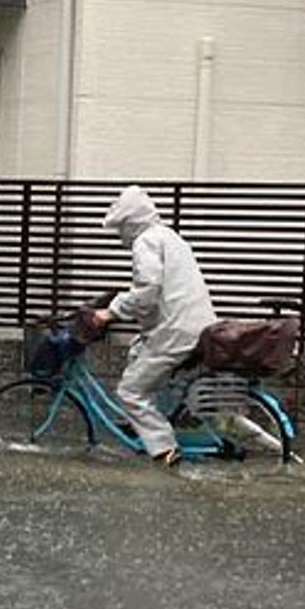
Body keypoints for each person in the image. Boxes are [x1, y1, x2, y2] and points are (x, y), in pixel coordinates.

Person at [89, 185, 218, 467]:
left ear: (130, 222)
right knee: (137, 352)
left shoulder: (145, 241)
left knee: (130, 391)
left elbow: (147, 291)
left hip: (175, 331)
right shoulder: (169, 236)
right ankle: (138, 424)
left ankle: (165, 451)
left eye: (121, 227)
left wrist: (110, 312)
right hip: (194, 326)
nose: (119, 234)